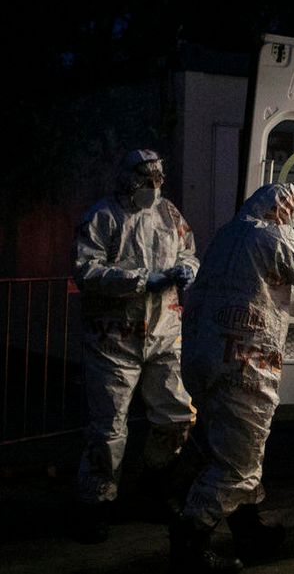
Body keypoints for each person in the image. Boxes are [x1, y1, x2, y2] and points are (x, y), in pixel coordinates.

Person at [172, 182, 294, 573]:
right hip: (243, 363)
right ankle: (189, 540)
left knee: (232, 447)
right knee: (238, 461)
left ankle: (248, 529)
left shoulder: (230, 236)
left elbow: (274, 288)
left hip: (204, 361)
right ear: (284, 211)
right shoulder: (275, 238)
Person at [72, 149, 199, 543]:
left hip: (163, 333)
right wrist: (142, 280)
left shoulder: (169, 215)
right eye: (147, 180)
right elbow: (85, 270)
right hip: (114, 339)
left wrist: (186, 271)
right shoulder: (102, 216)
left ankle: (153, 486)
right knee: (109, 427)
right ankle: (96, 504)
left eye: (158, 179)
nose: (154, 187)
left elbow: (190, 252)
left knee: (176, 418)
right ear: (129, 179)